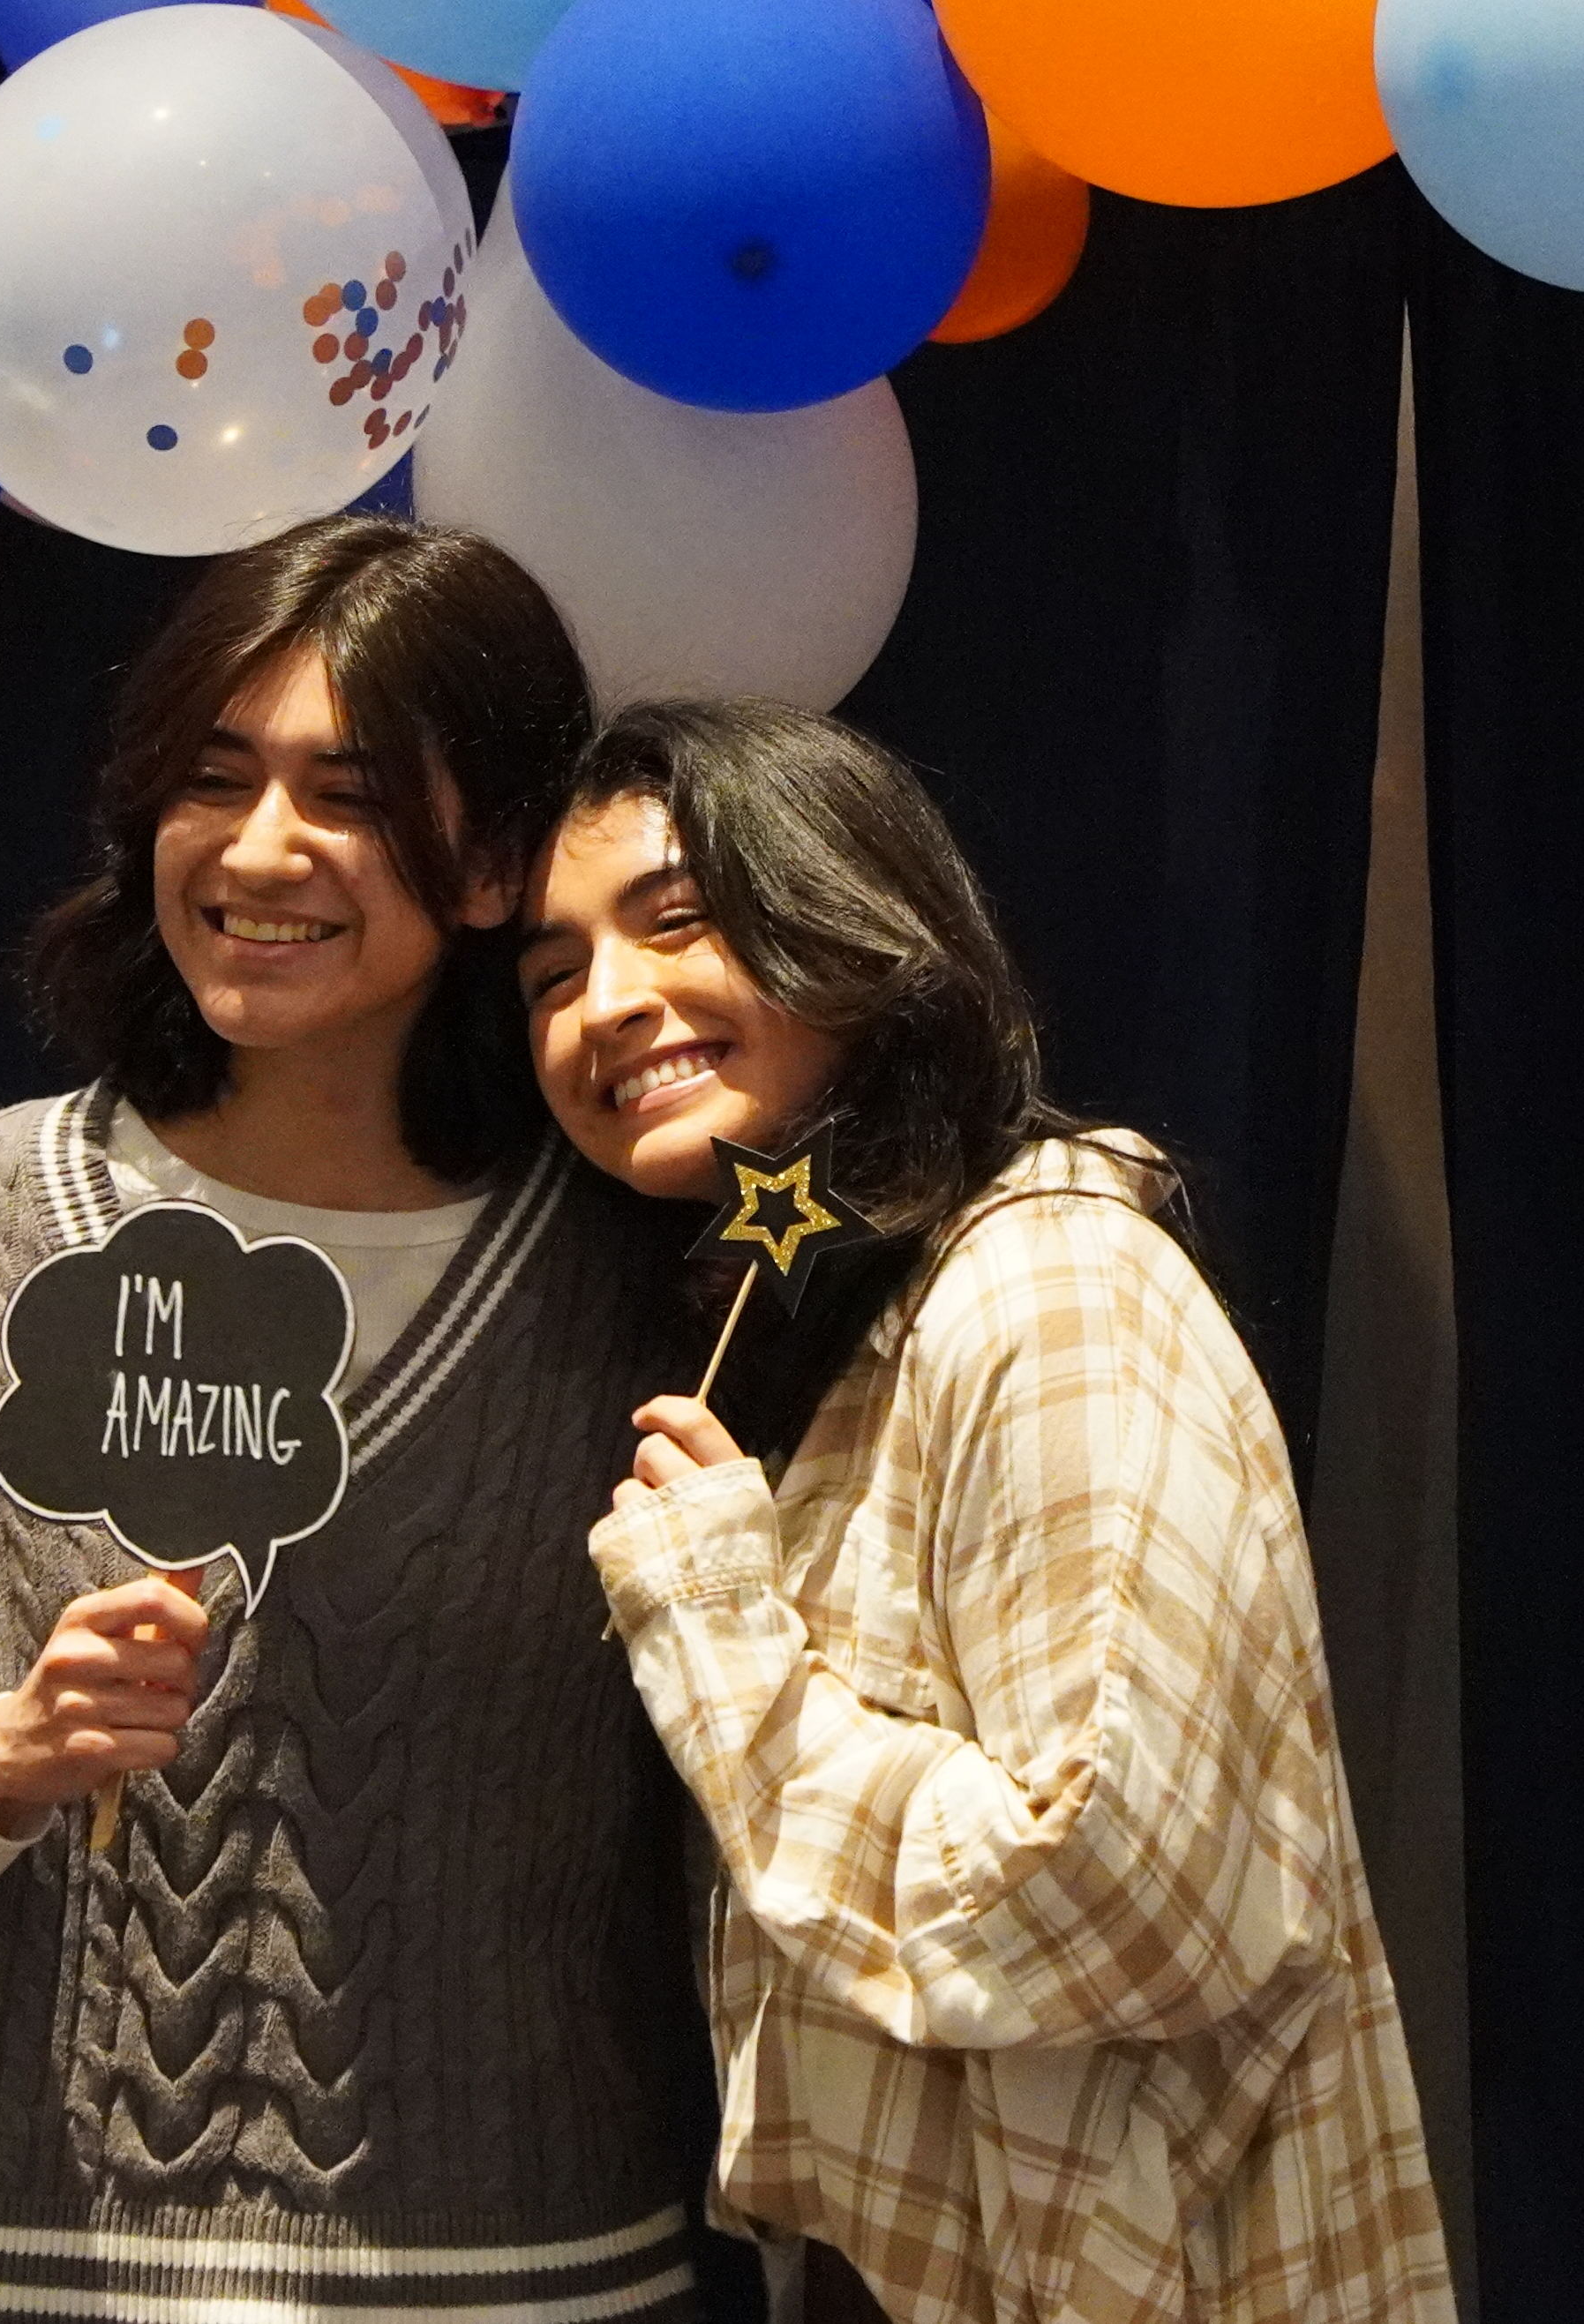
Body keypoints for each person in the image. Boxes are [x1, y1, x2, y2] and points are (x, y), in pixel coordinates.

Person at [0, 518, 733, 2324]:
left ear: (487, 865)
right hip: (17, 2277)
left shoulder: (642, 1267)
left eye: (350, 795)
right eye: (212, 781)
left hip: (521, 2281)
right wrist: (5, 1760)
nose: (262, 848)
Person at [515, 698, 1456, 2324]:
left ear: (848, 918)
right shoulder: (836, 1338)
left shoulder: (1049, 1281)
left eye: (675, 920)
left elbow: (1131, 1890)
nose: (606, 1004)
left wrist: (725, 1643)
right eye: (547, 974)